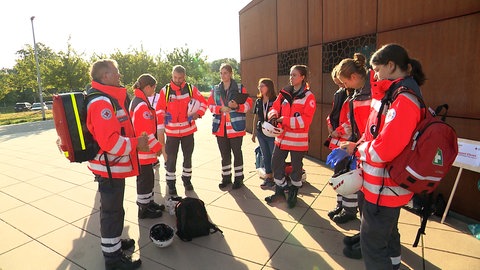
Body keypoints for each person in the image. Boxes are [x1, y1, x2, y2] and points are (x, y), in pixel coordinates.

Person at [341, 44, 426, 269]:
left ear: (391, 66)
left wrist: (357, 150)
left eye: (377, 69)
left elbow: (384, 149)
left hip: (383, 188)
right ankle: (395, 264)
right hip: (381, 185)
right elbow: (372, 133)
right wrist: (358, 145)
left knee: (373, 247)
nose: (374, 75)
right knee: (389, 236)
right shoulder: (392, 94)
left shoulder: (403, 99)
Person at [86, 59, 148, 270]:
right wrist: (135, 144)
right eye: (116, 72)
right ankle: (113, 260)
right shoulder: (102, 103)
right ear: (105, 76)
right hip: (110, 167)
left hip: (113, 167)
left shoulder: (107, 99)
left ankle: (113, 243)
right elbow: (110, 142)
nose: (120, 75)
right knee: (112, 212)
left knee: (113, 209)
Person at [264, 65, 316, 208]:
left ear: (302, 77)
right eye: (290, 75)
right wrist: (273, 115)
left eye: (294, 75)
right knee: (276, 163)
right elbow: (274, 107)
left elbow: (305, 121)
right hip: (281, 138)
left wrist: (283, 120)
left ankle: (293, 193)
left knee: (296, 168)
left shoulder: (308, 97)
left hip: (298, 141)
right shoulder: (284, 93)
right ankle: (280, 191)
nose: (291, 78)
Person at [328, 53, 371, 225]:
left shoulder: (364, 95)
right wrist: (331, 128)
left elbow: (355, 123)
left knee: (351, 178)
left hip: (356, 144)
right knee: (341, 175)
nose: (341, 85)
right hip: (350, 143)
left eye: (343, 82)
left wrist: (340, 133)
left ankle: (350, 210)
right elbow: (335, 115)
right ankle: (343, 205)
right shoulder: (350, 94)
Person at [156, 65, 207, 195]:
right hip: (172, 133)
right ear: (172, 76)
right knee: (171, 159)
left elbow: (203, 103)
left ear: (184, 77)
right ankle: (171, 184)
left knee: (187, 157)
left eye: (180, 78)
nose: (177, 80)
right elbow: (159, 109)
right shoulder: (165, 90)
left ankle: (187, 180)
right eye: (175, 77)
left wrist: (198, 114)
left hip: (188, 131)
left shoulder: (191, 89)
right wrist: (163, 118)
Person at [208, 63, 252, 189]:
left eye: (225, 73)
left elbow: (248, 105)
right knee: (224, 154)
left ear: (231, 73)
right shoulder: (215, 89)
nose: (223, 75)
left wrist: (237, 107)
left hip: (235, 127)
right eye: (221, 73)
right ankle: (226, 177)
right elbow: (210, 105)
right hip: (220, 128)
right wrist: (219, 109)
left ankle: (239, 179)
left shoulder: (239, 87)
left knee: (237, 153)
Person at [129, 74, 165, 219]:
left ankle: (149, 203)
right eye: (154, 88)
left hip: (143, 152)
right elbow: (146, 133)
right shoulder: (142, 106)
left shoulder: (138, 101)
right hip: (143, 152)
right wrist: (158, 148)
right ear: (148, 87)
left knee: (148, 179)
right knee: (144, 181)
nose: (154, 91)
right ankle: (144, 209)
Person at [251, 78, 277, 189]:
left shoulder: (275, 100)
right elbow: (256, 117)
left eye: (262, 86)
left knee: (274, 155)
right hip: (261, 132)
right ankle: (268, 177)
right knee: (265, 155)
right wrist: (253, 132)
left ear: (269, 87)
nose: (260, 88)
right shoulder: (258, 101)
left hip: (272, 133)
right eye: (259, 86)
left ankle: (278, 178)